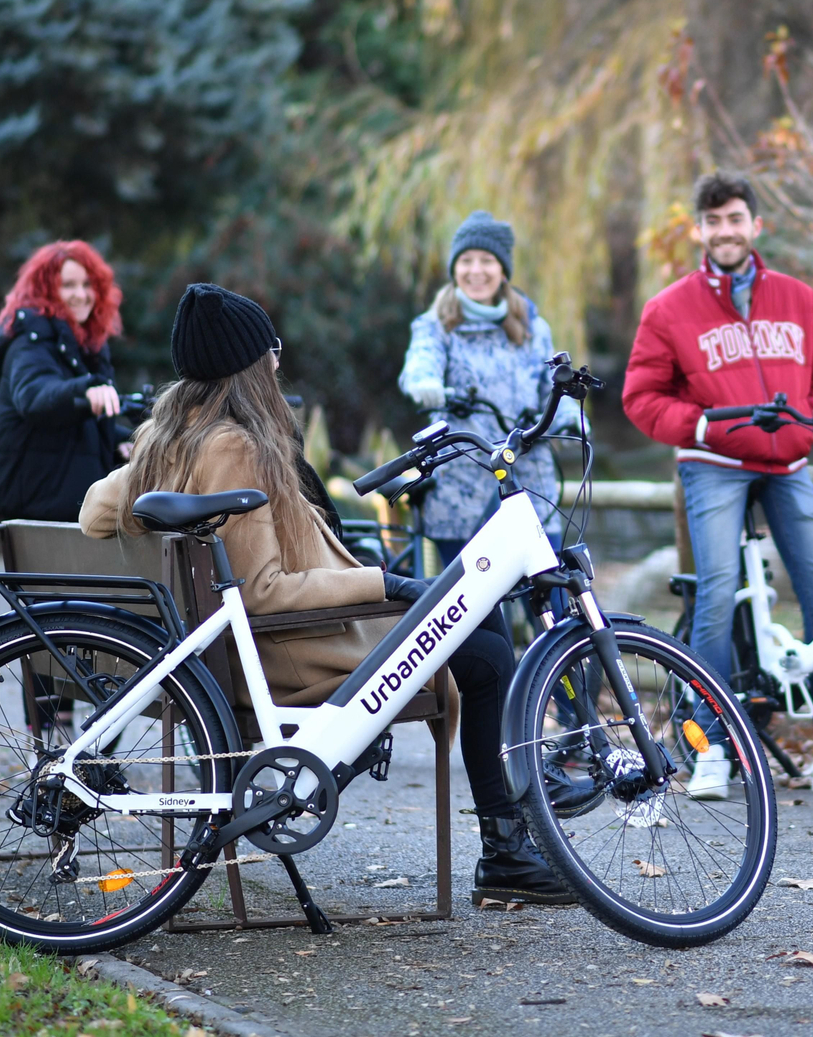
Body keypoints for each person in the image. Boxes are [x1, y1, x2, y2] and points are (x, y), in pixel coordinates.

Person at [81, 282, 571, 907]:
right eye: (271, 350)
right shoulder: (233, 445)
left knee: (484, 624)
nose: (279, 361)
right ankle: (506, 850)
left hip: (239, 653)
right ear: (248, 368)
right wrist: (388, 583)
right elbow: (263, 593)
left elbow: (95, 509)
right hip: (284, 654)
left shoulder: (169, 439)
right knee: (491, 656)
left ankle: (510, 839)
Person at [621, 172, 813, 797]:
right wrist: (697, 424)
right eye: (713, 221)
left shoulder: (798, 298)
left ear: (756, 225)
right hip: (714, 465)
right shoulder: (668, 308)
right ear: (698, 231)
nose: (725, 231)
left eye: (735, 219)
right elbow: (641, 397)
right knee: (718, 595)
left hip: (787, 466)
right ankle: (714, 750)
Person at [397, 211, 577, 590]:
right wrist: (426, 383)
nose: (475, 271)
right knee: (474, 603)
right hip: (461, 486)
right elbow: (419, 365)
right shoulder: (435, 325)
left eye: (486, 261)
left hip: (530, 481)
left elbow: (550, 390)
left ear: (503, 269)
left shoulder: (532, 327)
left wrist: (573, 416)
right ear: (454, 267)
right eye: (466, 261)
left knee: (554, 592)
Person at [0, 241, 125, 521]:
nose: (81, 295)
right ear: (44, 291)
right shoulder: (30, 341)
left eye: (88, 284)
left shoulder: (89, 347)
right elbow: (36, 397)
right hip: (38, 511)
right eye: (68, 285)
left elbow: (81, 430)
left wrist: (122, 444)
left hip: (72, 508)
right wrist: (87, 389)